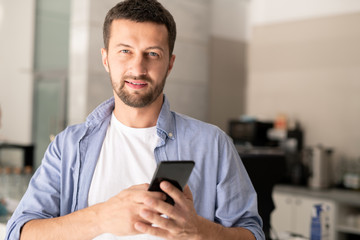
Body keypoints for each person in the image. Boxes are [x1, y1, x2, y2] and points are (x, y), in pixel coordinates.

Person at [5, 0, 265, 239]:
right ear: (106, 58)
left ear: (170, 64)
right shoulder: (68, 146)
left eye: (152, 54)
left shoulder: (212, 144)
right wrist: (100, 218)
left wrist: (200, 232)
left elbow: (253, 233)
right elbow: (18, 232)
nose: (138, 68)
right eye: (125, 51)